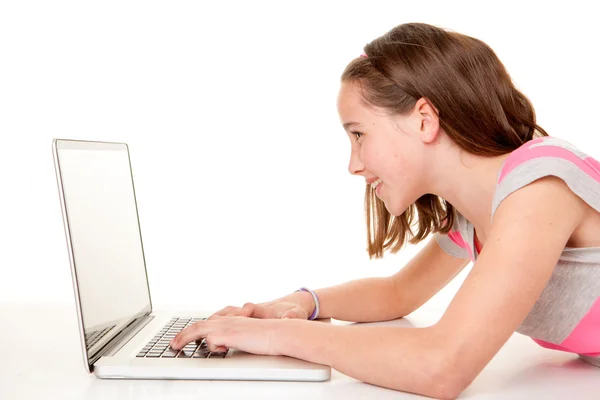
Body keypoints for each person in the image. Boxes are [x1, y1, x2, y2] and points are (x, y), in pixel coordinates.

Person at [170, 22, 600, 398]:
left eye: (358, 134)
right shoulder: (478, 212)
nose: (353, 164)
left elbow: (443, 367)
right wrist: (300, 303)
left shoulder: (541, 183)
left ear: (424, 120)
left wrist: (274, 336)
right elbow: (398, 293)